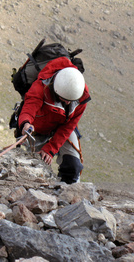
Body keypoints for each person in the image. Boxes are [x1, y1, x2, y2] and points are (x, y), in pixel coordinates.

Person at [18, 56, 91, 184]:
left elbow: (69, 126)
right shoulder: (40, 87)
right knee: (35, 170)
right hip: (36, 129)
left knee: (73, 165)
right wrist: (25, 123)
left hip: (62, 128)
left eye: (71, 100)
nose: (68, 102)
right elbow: (29, 108)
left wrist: (50, 149)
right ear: (56, 90)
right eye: (65, 99)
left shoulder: (81, 96)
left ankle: (70, 192)